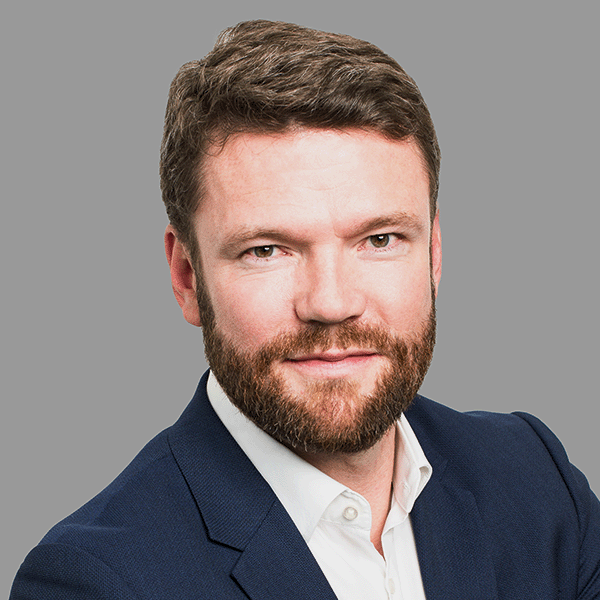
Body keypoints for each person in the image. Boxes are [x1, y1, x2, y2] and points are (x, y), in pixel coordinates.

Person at [10, 19, 600, 600]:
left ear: (434, 253)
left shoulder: (536, 480)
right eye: (266, 250)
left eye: (380, 240)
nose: (332, 304)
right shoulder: (96, 581)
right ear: (187, 276)